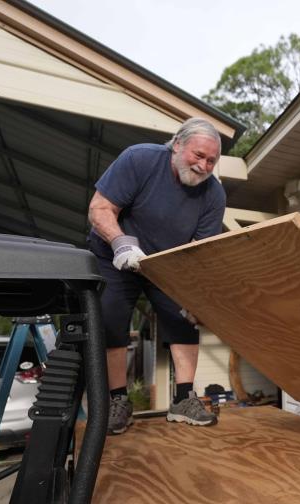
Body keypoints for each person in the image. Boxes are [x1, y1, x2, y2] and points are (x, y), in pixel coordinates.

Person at [86, 117, 225, 434]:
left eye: (211, 161)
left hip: (164, 263)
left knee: (184, 319)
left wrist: (196, 298)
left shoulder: (214, 196)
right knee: (110, 318)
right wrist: (121, 243)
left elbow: (198, 254)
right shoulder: (140, 159)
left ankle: (183, 400)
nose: (203, 166)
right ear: (177, 145)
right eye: (198, 155)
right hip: (114, 253)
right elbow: (100, 208)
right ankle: (118, 401)